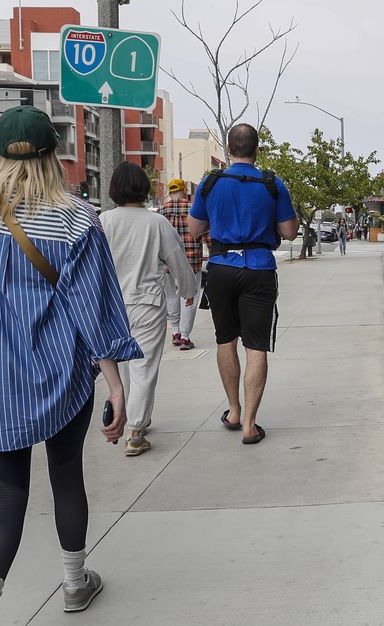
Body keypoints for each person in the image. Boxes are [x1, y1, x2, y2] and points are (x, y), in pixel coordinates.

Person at [0, 105, 141, 626]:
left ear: (0, 156)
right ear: (54, 155)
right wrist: (116, 384)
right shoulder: (77, 219)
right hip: (58, 376)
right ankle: (76, 583)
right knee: (66, 477)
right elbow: (93, 308)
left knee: (4, 503)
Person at [188, 123, 300, 444]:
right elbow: (290, 232)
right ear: (257, 149)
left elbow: (195, 228)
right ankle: (250, 425)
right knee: (256, 346)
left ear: (228, 148)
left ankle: (234, 411)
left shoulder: (210, 182)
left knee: (226, 340)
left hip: (222, 268)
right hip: (260, 270)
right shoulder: (272, 183)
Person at [102, 163, 198, 456]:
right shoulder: (156, 223)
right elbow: (176, 259)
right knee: (143, 367)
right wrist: (188, 290)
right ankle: (135, 430)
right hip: (146, 302)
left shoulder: (102, 221)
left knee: (121, 366)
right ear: (144, 189)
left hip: (111, 304)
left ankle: (131, 417)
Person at [161, 178, 203, 350]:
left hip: (167, 263)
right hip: (191, 262)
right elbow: (207, 235)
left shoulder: (161, 211)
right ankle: (185, 337)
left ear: (170, 193)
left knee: (171, 296)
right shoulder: (194, 210)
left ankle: (175, 332)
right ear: (185, 191)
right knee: (189, 298)